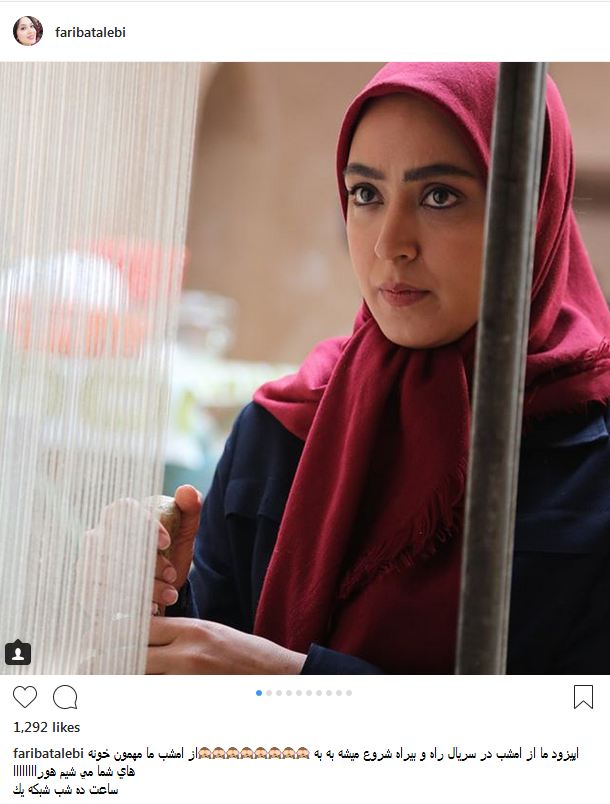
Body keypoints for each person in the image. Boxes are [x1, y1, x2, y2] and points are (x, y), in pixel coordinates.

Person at [147, 63, 610, 675]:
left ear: (532, 212)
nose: (390, 243)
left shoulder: (591, 456)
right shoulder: (283, 429)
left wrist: (295, 684)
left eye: (440, 196)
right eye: (365, 194)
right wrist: (164, 600)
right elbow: (209, 674)